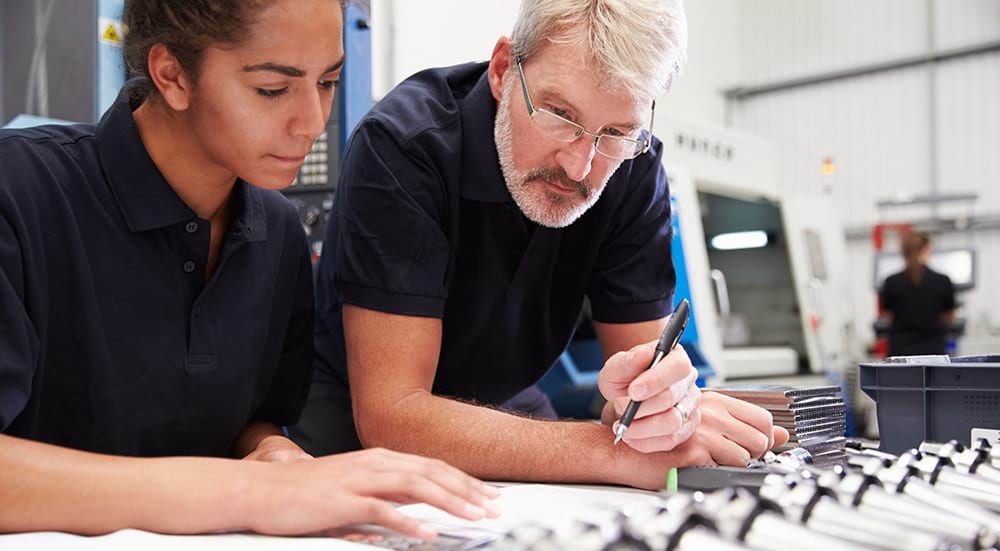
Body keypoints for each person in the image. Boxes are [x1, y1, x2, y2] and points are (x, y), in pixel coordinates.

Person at [0, 0, 497, 539]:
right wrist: (247, 493)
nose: (312, 122)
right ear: (172, 76)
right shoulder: (20, 194)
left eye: (328, 82)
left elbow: (250, 421)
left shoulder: (277, 232)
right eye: (272, 90)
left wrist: (274, 453)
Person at [293, 0, 789, 490]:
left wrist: (664, 409)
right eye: (559, 114)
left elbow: (644, 384)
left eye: (615, 132)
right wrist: (609, 452)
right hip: (355, 419)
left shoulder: (633, 169)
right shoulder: (405, 147)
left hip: (507, 404)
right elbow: (394, 416)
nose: (579, 167)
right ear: (504, 69)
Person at [881, 232, 957, 356]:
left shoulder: (891, 282)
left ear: (902, 252)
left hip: (900, 352)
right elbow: (949, 317)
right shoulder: (942, 280)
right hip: (933, 352)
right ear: (926, 249)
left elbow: (889, 318)